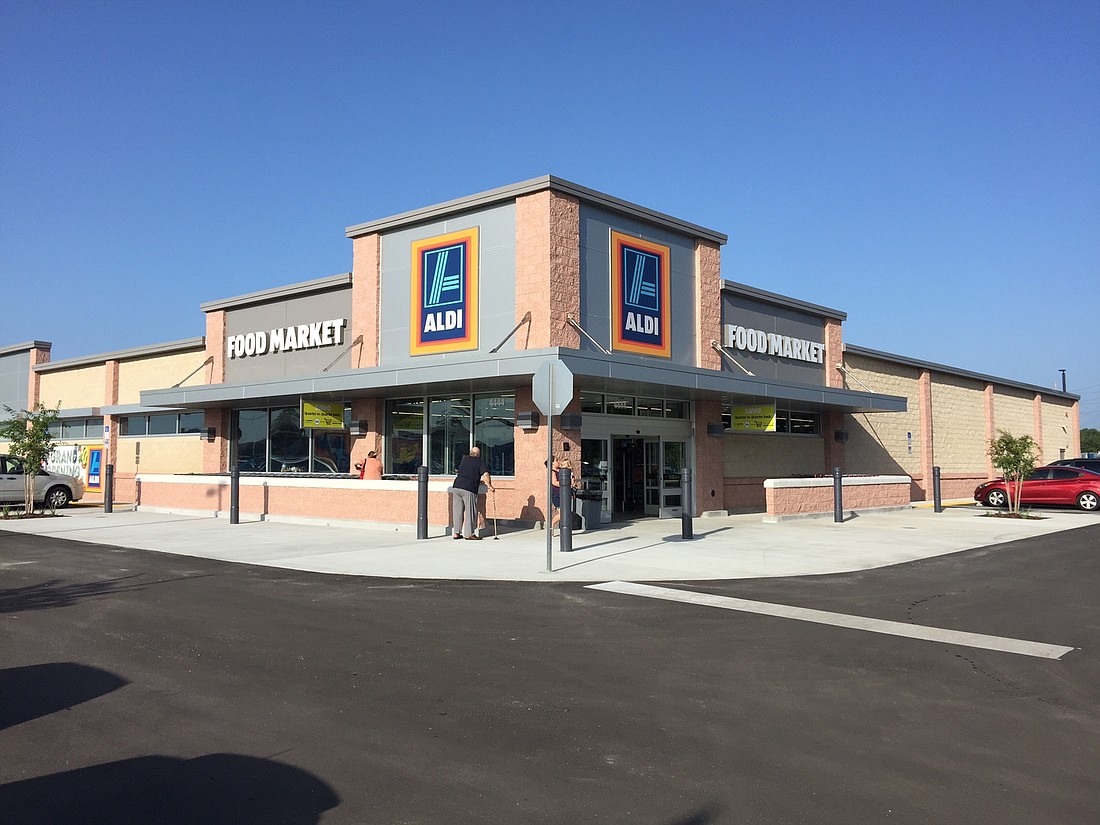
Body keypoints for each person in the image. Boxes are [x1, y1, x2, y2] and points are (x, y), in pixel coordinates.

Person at [451, 446, 493, 540]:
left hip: (457, 485)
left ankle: (456, 533)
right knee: (470, 511)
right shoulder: (479, 462)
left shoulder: (464, 460)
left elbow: (464, 471)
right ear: (478, 454)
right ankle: (469, 534)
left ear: (470, 453)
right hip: (469, 488)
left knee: (457, 511)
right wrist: (489, 486)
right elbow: (486, 474)